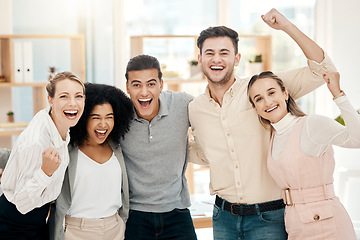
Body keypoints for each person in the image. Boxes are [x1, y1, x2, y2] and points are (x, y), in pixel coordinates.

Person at [188, 8, 336, 239]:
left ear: (237, 59)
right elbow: (202, 154)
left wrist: (286, 26)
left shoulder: (260, 90)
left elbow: (323, 70)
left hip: (269, 216)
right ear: (200, 59)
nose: (216, 59)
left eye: (224, 52)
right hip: (222, 216)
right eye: (210, 53)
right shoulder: (195, 108)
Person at [247, 71, 357, 239]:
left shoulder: (311, 125)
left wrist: (338, 94)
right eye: (259, 98)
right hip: (295, 224)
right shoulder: (273, 136)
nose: (267, 102)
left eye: (271, 92)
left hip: (327, 223)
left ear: (285, 94)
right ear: (255, 108)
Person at [0, 72, 85, 239]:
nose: (73, 103)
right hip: (15, 223)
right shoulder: (37, 142)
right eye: (64, 96)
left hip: (38, 218)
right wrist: (45, 173)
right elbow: (22, 204)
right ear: (50, 99)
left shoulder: (56, 122)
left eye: (79, 96)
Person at [121, 54, 197, 239]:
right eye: (137, 85)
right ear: (128, 87)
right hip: (135, 215)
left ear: (161, 85)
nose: (144, 92)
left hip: (177, 211)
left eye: (151, 84)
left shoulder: (182, 104)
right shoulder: (118, 114)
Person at [50, 83, 134, 240]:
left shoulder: (117, 147)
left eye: (109, 117)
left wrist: (121, 223)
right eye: (96, 118)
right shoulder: (66, 148)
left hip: (114, 229)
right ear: (82, 118)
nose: (103, 124)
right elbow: (22, 158)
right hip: (76, 231)